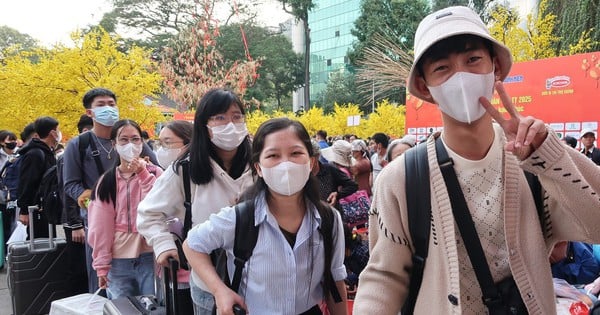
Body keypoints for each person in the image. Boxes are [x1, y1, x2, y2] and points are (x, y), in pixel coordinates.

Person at [353, 6, 600, 314]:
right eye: (442, 68)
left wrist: (546, 156)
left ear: (495, 67)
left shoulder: (533, 164)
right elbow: (384, 277)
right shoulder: (401, 179)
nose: (461, 77)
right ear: (424, 88)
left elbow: (595, 225)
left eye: (472, 60)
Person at [182, 117, 347, 315]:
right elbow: (192, 244)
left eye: (295, 153)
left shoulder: (329, 219)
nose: (285, 164)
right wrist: (219, 291)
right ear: (259, 168)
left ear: (311, 162)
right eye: (273, 156)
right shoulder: (239, 218)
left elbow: (335, 280)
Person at [137, 88, 255, 314]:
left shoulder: (259, 165)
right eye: (220, 117)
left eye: (236, 116)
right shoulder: (185, 169)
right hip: (208, 284)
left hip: (258, 281)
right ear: (204, 125)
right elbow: (148, 212)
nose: (230, 124)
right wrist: (163, 244)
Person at [63, 87, 158, 293]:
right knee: (105, 281)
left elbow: (159, 176)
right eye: (101, 105)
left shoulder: (132, 137)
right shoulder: (79, 144)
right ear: (90, 112)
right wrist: (92, 198)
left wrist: (143, 172)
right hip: (101, 224)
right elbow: (70, 184)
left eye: (111, 104)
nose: (108, 108)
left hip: (142, 233)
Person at [87, 119, 162, 299]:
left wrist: (143, 174)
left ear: (142, 142)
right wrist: (102, 265)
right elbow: (100, 227)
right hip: (118, 261)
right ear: (114, 144)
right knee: (122, 308)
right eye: (124, 140)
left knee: (154, 307)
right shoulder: (106, 182)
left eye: (135, 139)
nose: (130, 144)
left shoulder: (156, 174)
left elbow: (157, 208)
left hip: (150, 256)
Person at [16, 116, 61, 239]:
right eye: (58, 130)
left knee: (47, 240)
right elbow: (27, 182)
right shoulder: (35, 154)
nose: (59, 133)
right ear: (52, 132)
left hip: (46, 207)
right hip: (36, 209)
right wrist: (24, 210)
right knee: (39, 241)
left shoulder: (47, 152)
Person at [310, 140, 358, 207]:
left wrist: (337, 194)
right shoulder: (302, 174)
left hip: (330, 213)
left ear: (317, 157)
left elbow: (353, 185)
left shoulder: (329, 169)